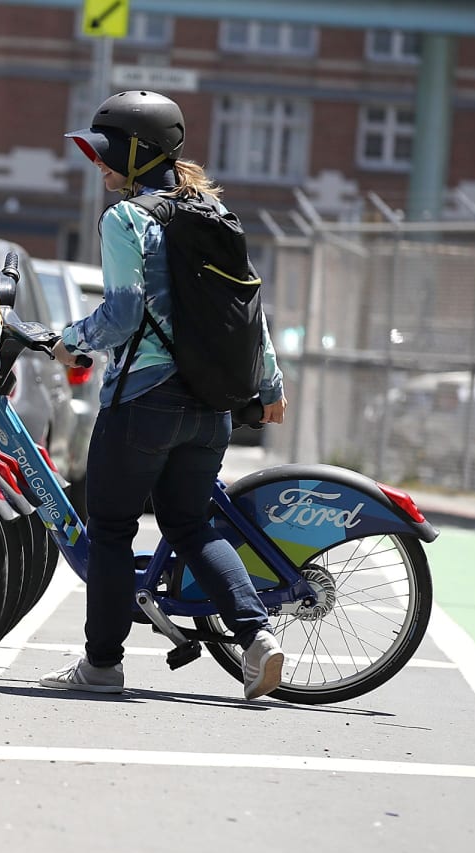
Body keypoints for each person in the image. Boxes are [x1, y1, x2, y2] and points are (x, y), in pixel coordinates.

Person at [37, 90, 290, 701]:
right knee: (190, 523)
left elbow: (123, 315)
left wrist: (70, 341)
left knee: (112, 530)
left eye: (105, 155)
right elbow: (249, 313)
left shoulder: (127, 219)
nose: (97, 165)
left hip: (145, 401)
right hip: (211, 407)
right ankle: (257, 639)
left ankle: (101, 666)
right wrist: (270, 385)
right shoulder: (212, 213)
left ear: (136, 155)